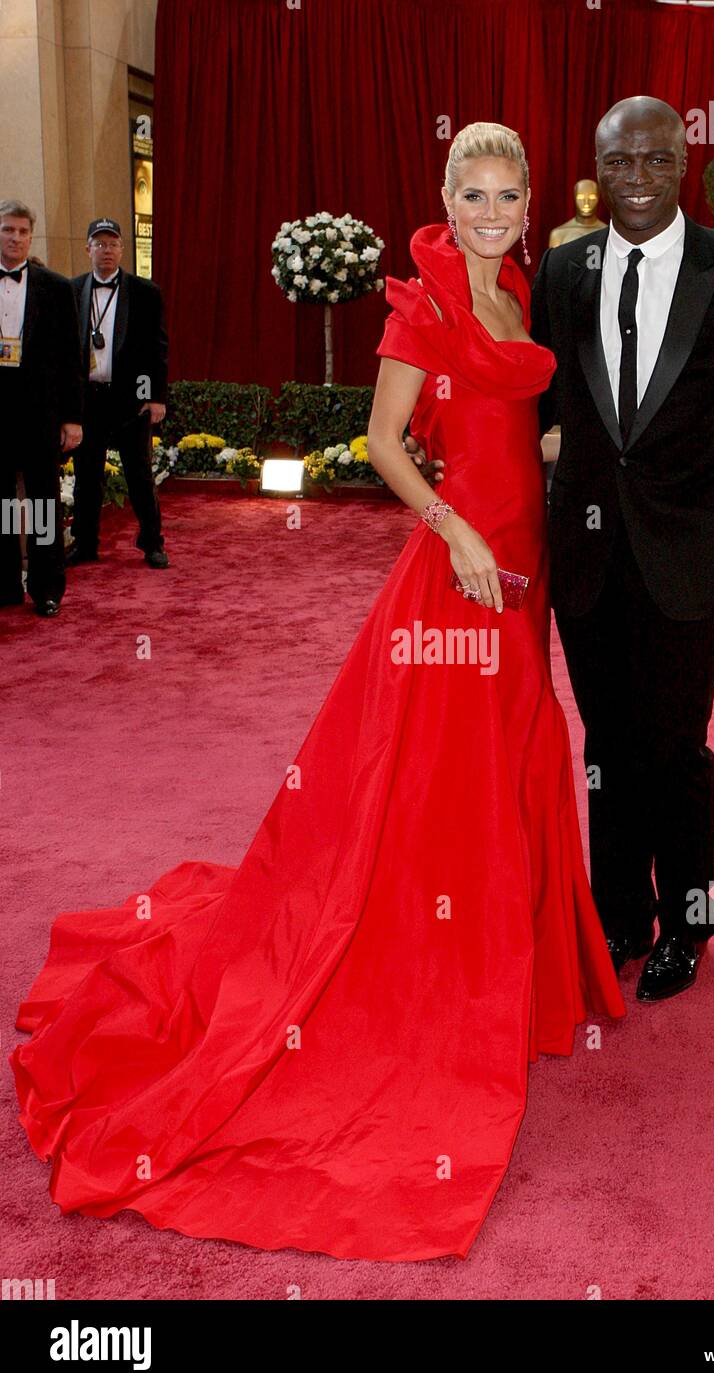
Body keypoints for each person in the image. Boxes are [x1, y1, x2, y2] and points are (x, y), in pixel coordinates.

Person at [9, 123, 624, 1263]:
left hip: (523, 564)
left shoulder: (525, 287)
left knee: (513, 753)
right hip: (457, 573)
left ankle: (506, 965)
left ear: (531, 201)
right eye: (472, 193)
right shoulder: (424, 299)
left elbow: (500, 417)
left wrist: (534, 472)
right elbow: (384, 440)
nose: (489, 212)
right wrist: (453, 532)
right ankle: (441, 977)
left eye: (507, 194)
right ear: (444, 192)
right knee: (441, 780)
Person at [415, 96, 714, 1003]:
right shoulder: (561, 269)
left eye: (653, 161)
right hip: (587, 554)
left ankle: (687, 918)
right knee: (606, 741)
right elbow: (532, 399)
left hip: (693, 551)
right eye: (617, 164)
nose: (636, 180)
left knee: (676, 745)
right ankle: (618, 915)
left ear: (680, 162)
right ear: (597, 172)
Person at [66, 218, 169, 569]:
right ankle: (84, 542)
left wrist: (155, 397)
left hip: (130, 400)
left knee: (139, 474)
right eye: (99, 243)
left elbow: (157, 348)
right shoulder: (72, 289)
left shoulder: (145, 292)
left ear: (122, 249)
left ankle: (152, 542)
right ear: (88, 249)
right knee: (86, 477)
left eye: (112, 244)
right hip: (88, 400)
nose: (106, 250)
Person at [0, 200, 83, 617]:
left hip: (40, 414)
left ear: (31, 237)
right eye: (7, 230)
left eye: (22, 232)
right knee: (1, 504)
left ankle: (47, 587)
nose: (15, 238)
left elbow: (72, 358)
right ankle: (5, 583)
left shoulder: (56, 287)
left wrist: (72, 418)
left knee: (43, 502)